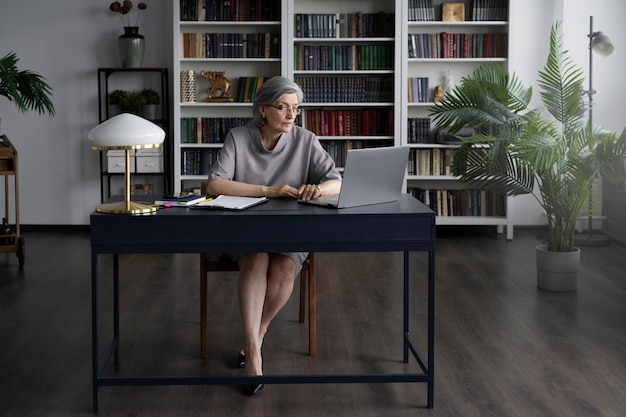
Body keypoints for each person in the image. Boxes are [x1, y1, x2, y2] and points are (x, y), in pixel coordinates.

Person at [205, 76, 342, 395]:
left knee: (282, 267)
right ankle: (253, 354)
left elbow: (336, 180)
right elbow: (215, 185)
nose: (291, 114)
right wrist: (269, 190)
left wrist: (317, 188)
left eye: (296, 108)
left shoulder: (306, 139)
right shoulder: (238, 137)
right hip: (245, 229)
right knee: (256, 259)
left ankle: (255, 336)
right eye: (283, 107)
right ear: (263, 109)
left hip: (291, 231)